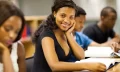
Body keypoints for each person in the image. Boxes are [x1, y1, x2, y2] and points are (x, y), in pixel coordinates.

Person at [32, 0, 106, 72]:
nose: (67, 20)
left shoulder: (65, 32)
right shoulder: (46, 35)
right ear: (55, 13)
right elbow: (54, 66)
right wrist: (86, 66)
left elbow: (81, 56)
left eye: (71, 17)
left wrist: (68, 35)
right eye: (63, 15)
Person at [0, 1, 26, 72]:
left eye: (16, 32)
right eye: (7, 29)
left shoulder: (18, 48)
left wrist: (5, 52)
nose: (12, 36)